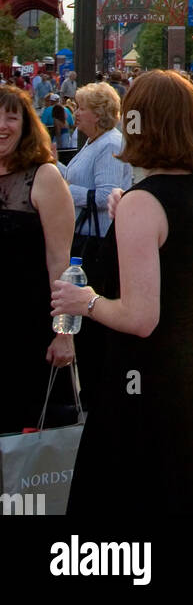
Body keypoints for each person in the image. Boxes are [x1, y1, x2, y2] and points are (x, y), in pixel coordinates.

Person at [52, 70, 193, 514]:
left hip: (149, 386)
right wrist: (129, 212)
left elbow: (140, 318)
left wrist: (85, 301)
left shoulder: (144, 202)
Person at [0, 84, 76, 433]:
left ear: (26, 124)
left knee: (23, 438)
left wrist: (64, 333)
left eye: (11, 117)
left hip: (27, 332)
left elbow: (61, 264)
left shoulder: (44, 177)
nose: (2, 125)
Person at [65, 82, 132, 243]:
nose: (76, 113)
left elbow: (105, 196)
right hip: (86, 233)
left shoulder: (110, 144)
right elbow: (77, 175)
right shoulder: (94, 140)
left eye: (82, 108)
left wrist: (65, 191)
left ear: (98, 114)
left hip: (97, 239)